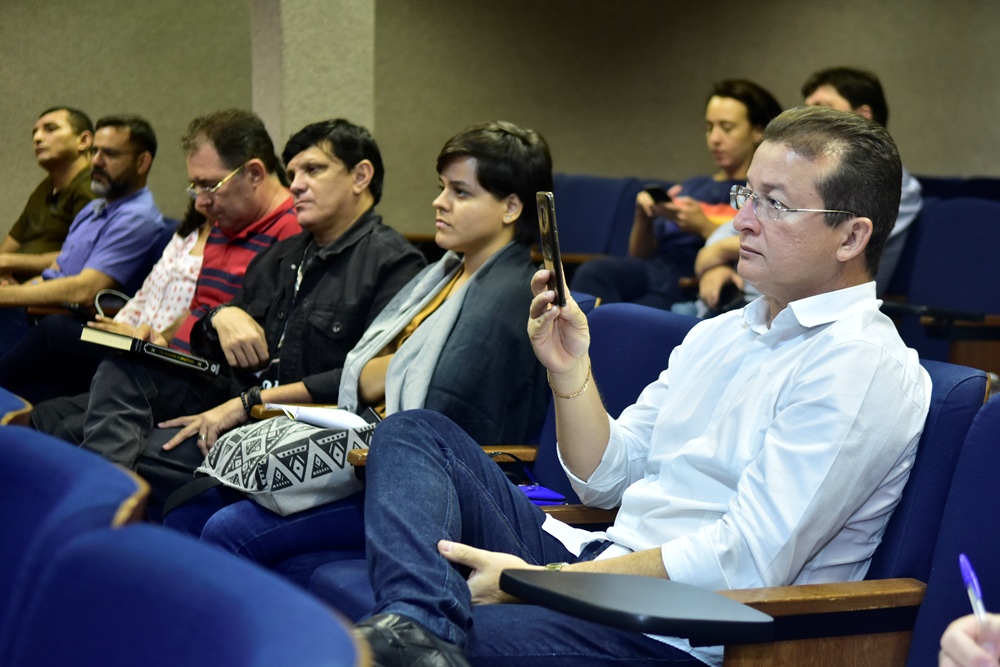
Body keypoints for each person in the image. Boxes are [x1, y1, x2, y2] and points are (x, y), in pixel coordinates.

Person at [329, 106, 932, 667]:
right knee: (414, 434)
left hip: (681, 629)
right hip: (601, 566)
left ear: (851, 237)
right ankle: (419, 626)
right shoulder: (721, 333)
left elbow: (742, 562)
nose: (742, 220)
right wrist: (570, 371)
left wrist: (536, 584)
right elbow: (607, 477)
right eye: (746, 194)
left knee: (430, 636)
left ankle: (420, 634)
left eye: (774, 204)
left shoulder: (860, 366)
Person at [176, 120, 552, 543]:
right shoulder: (442, 276)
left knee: (227, 528)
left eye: (459, 192)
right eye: (442, 187)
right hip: (373, 445)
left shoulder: (509, 298)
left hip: (422, 480)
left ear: (511, 208)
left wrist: (383, 388)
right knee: (195, 500)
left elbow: (447, 411)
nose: (439, 202)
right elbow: (372, 372)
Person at [31, 118, 425, 508]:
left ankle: (99, 515)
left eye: (313, 170)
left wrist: (244, 404)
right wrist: (218, 316)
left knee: (86, 436)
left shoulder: (393, 263)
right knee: (120, 366)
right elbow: (213, 336)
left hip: (294, 425)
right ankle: (103, 515)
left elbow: (367, 379)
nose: (296, 184)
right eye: (293, 174)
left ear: (360, 176)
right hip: (230, 393)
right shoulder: (284, 255)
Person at [1, 109, 302, 402]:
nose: (200, 203)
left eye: (210, 185)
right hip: (168, 353)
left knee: (56, 335)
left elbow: (268, 343)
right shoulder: (226, 222)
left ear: (254, 174)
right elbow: (198, 309)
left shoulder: (294, 232)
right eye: (195, 187)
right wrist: (161, 337)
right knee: (49, 413)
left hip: (207, 380)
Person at [685, 67, 922, 317]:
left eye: (822, 108)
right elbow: (733, 229)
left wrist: (722, 250)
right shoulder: (795, 174)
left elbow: (813, 242)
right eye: (808, 108)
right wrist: (716, 264)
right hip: (752, 308)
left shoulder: (892, 188)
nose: (811, 119)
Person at [570, 80, 782, 310]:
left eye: (727, 127)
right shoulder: (693, 185)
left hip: (688, 279)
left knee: (634, 315)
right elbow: (638, 256)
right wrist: (643, 219)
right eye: (709, 127)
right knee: (594, 272)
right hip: (652, 268)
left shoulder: (756, 193)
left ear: (757, 131)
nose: (714, 138)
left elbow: (760, 245)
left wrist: (702, 226)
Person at [0, 203, 209, 403]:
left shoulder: (221, 254)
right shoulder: (185, 235)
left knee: (54, 328)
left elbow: (197, 315)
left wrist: (141, 335)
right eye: (195, 187)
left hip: (155, 350)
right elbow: (143, 295)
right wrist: (119, 326)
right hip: (126, 336)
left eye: (208, 186)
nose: (201, 197)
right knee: (53, 381)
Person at [0, 115, 168, 349]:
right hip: (38, 312)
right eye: (95, 151)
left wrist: (7, 297)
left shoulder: (137, 217)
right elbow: (56, 270)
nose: (95, 162)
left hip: (66, 322)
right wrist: (16, 292)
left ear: (142, 163)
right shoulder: (95, 207)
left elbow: (85, 291)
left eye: (109, 154)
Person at [0, 107, 96, 283]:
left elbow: (81, 257)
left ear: (84, 140)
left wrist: (8, 264)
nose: (37, 138)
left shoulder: (94, 187)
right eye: (35, 133)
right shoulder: (47, 186)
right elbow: (11, 244)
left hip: (49, 289)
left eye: (50, 129)